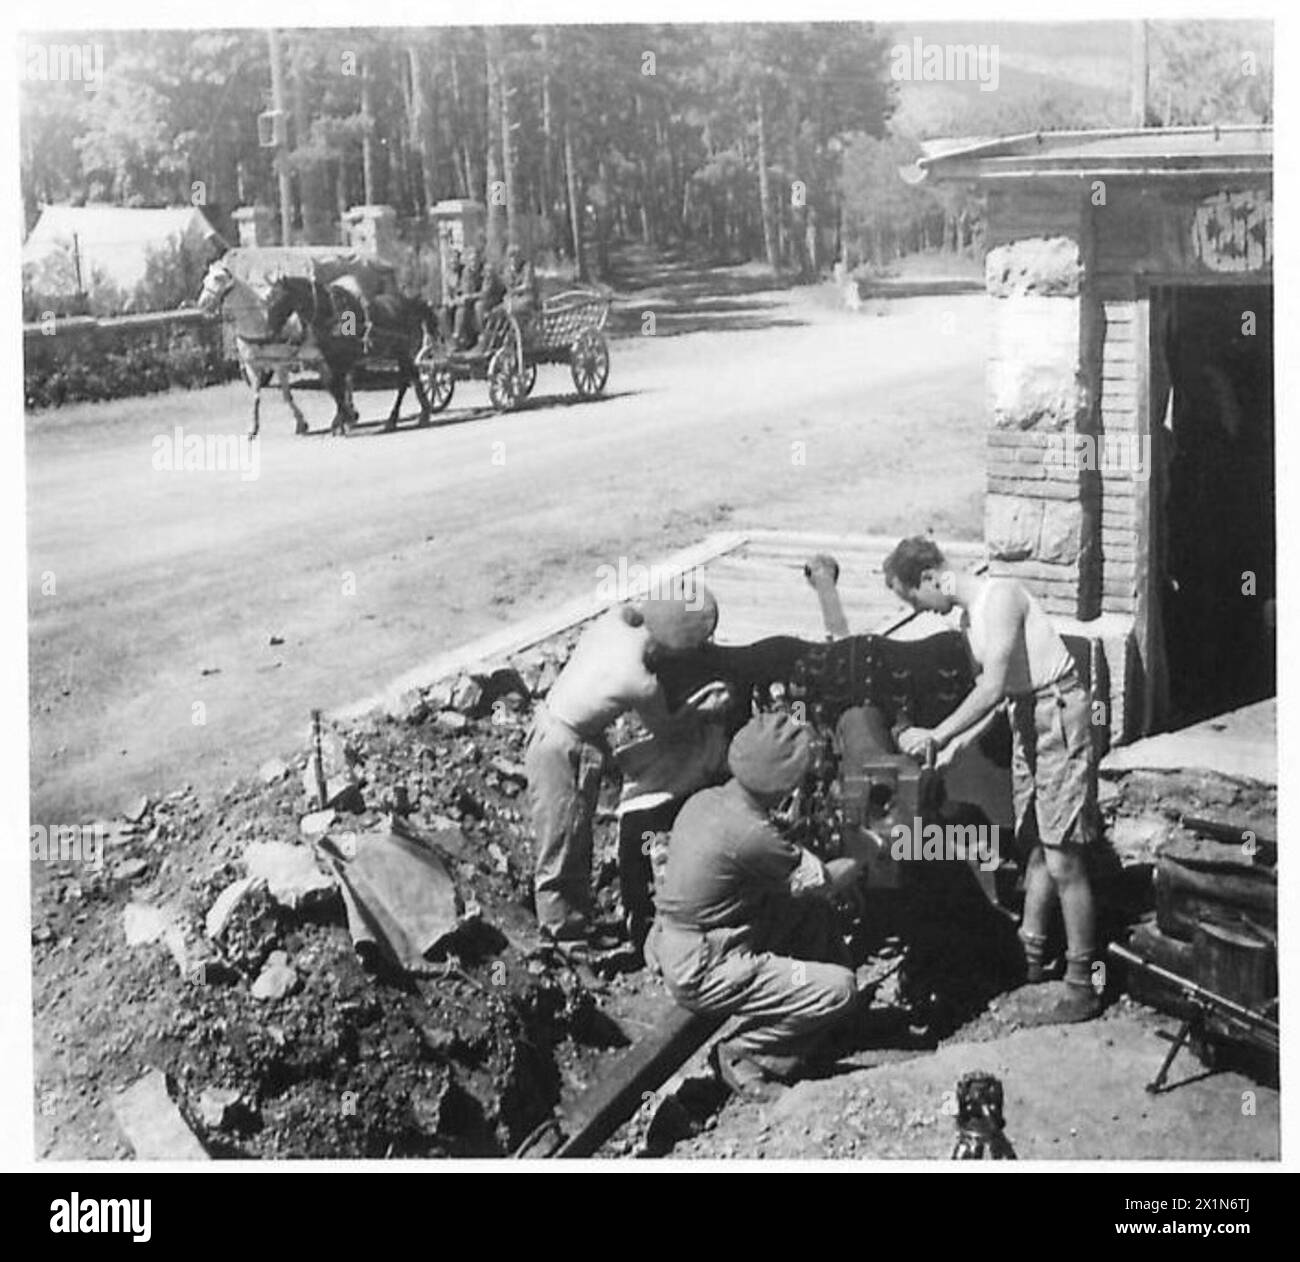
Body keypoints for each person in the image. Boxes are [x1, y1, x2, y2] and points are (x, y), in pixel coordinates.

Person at [881, 536, 1101, 1024]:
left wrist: (936, 733)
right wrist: (955, 746)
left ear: (930, 578)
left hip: (1057, 712)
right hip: (1027, 714)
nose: (920, 611)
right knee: (1035, 842)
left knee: (1063, 854)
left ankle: (1083, 983)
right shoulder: (968, 620)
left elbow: (993, 686)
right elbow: (997, 697)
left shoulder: (1000, 598)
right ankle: (1030, 956)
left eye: (914, 599)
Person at [646, 713, 877, 1098]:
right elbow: (824, 882)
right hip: (703, 967)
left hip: (684, 939)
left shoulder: (706, 800)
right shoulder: (752, 834)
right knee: (840, 988)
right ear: (784, 783)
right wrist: (868, 852)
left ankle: (820, 1023)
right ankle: (747, 1056)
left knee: (811, 916)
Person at [524, 589, 729, 944]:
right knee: (563, 842)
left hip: (548, 723)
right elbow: (667, 730)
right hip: (564, 747)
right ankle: (564, 940)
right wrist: (703, 707)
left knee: (571, 835)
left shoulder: (615, 621)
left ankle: (571, 920)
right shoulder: (639, 681)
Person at [503, 243, 540, 323]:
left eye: (517, 256)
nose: (514, 259)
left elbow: (527, 285)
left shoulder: (527, 266)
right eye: (511, 257)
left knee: (513, 308)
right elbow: (509, 287)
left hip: (528, 297)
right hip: (513, 298)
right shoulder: (507, 270)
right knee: (502, 309)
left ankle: (521, 329)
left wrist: (515, 290)